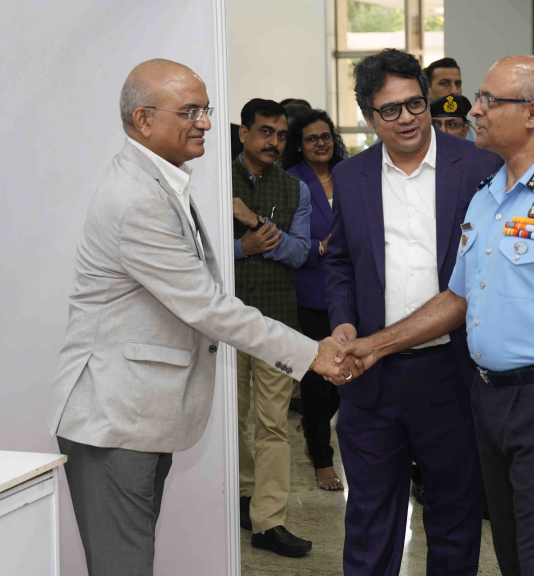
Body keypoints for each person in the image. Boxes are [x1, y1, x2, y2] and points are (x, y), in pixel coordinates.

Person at [47, 60, 357, 576]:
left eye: (205, 109)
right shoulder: (137, 198)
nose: (207, 122)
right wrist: (311, 354)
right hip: (114, 420)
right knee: (123, 566)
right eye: (190, 111)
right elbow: (205, 305)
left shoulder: (159, 181)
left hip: (137, 416)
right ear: (144, 119)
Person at [337, 54, 534, 576]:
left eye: (487, 100)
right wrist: (374, 345)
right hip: (490, 399)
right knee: (513, 556)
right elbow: (456, 299)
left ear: (532, 113)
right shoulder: (490, 196)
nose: (472, 109)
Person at [324, 48, 501, 576]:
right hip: (370, 375)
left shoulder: (478, 166)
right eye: (390, 110)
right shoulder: (351, 176)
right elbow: (339, 262)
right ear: (367, 115)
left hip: (452, 371)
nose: (406, 118)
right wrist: (343, 322)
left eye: (415, 104)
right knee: (370, 516)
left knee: (455, 513)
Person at [231, 98, 316, 557]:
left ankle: (269, 521)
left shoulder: (296, 189)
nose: (274, 142)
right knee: (230, 419)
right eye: (265, 132)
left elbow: (300, 253)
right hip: (223, 320)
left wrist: (256, 224)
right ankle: (242, 496)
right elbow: (194, 250)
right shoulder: (212, 181)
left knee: (273, 425)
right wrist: (241, 248)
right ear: (243, 133)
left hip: (278, 321)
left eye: (282, 135)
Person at [282, 109, 349, 492]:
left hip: (352, 291)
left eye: (325, 136)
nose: (321, 143)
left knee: (346, 378)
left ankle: (312, 427)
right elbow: (285, 239)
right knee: (317, 381)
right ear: (299, 144)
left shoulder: (349, 173)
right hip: (310, 290)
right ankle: (323, 459)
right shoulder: (291, 181)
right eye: (312, 138)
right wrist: (319, 247)